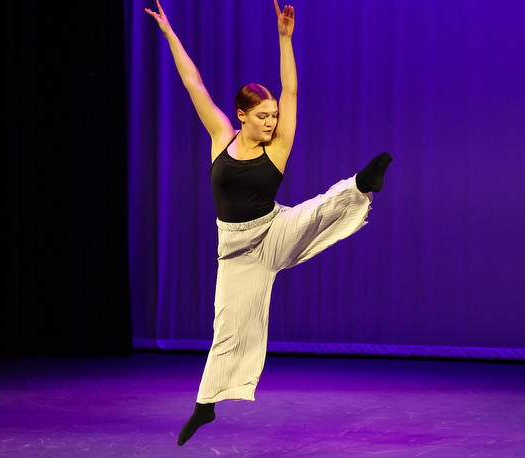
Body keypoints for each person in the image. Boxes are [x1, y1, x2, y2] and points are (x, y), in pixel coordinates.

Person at [145, 0, 392, 446]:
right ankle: (205, 406)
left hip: (274, 231)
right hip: (236, 251)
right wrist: (169, 34)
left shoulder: (276, 148)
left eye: (274, 116)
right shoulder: (221, 135)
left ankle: (361, 183)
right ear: (241, 115)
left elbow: (291, 91)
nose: (271, 122)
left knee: (317, 209)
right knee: (229, 325)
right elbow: (192, 82)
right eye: (263, 116)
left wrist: (284, 39)